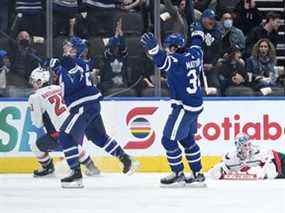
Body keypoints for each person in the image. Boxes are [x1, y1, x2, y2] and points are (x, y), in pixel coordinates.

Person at [49, 36, 140, 188]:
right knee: (98, 137)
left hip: (82, 106)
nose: (65, 47)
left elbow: (72, 69)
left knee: (65, 137)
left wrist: (63, 62)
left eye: (68, 46)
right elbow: (71, 74)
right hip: (91, 105)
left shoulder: (75, 63)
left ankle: (75, 174)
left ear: (74, 50)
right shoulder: (78, 63)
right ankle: (126, 159)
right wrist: (58, 66)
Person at [140, 28, 206, 187]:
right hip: (196, 104)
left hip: (184, 107)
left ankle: (178, 173)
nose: (167, 50)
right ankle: (198, 174)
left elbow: (162, 61)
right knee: (187, 139)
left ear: (174, 48)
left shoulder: (177, 61)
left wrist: (154, 49)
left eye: (168, 47)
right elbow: (197, 42)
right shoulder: (196, 54)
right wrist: (197, 32)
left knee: (168, 140)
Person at [28, 66, 100, 177]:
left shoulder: (35, 97)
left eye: (33, 81)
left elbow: (38, 123)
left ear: (39, 81)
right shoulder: (59, 88)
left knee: (35, 146)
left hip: (58, 132)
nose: (32, 84)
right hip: (76, 125)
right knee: (72, 143)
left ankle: (47, 168)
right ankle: (92, 167)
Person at [209, 133, 285, 180]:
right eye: (245, 145)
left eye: (249, 144)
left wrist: (263, 172)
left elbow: (271, 166)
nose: (248, 147)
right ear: (238, 146)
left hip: (280, 160)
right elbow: (215, 171)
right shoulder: (230, 157)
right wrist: (219, 172)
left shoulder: (258, 153)